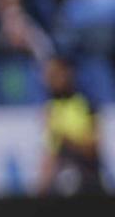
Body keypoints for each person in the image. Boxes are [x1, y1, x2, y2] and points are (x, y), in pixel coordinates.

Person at [39, 58, 105, 197]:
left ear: (67, 74)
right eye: (49, 75)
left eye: (55, 74)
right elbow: (51, 153)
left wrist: (67, 141)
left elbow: (93, 149)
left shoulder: (86, 104)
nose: (51, 79)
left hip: (88, 176)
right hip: (63, 176)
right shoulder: (51, 108)